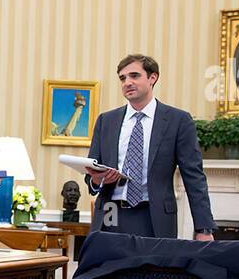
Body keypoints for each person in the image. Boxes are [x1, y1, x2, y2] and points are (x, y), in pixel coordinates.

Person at [85, 54, 215, 240]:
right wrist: (96, 180)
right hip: (110, 214)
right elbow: (92, 174)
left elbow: (194, 178)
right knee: (109, 269)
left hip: (155, 217)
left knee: (154, 270)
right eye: (123, 78)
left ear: (152, 77)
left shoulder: (177, 121)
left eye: (134, 76)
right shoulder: (106, 121)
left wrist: (204, 229)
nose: (127, 82)